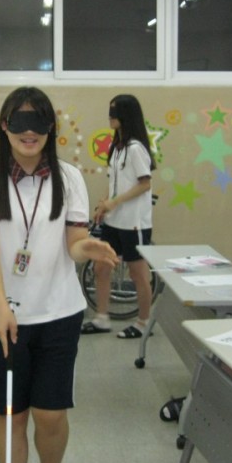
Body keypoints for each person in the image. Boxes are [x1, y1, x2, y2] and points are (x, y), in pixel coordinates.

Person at [0, 86, 118, 463]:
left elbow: (74, 242)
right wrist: (2, 307)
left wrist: (87, 247)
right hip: (1, 318)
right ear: (4, 127)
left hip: (58, 313)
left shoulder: (69, 178)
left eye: (38, 121)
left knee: (50, 415)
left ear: (51, 128)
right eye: (19, 121)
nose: (29, 131)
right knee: (11, 415)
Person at [80, 94, 156, 339]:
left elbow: (145, 184)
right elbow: (114, 182)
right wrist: (104, 205)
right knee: (101, 267)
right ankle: (102, 318)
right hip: (113, 221)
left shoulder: (135, 149)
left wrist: (115, 202)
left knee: (137, 273)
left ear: (126, 115)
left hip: (134, 224)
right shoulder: (117, 148)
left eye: (114, 112)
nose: (110, 117)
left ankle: (143, 323)